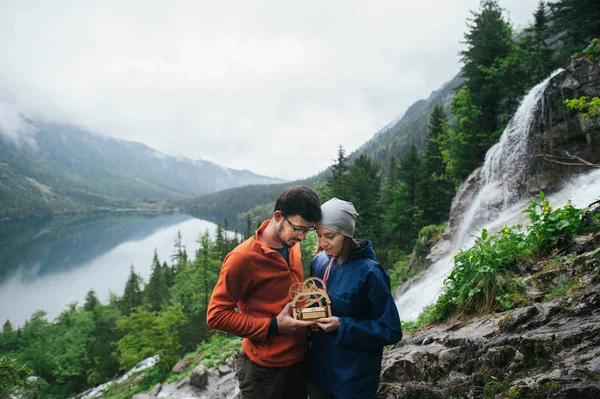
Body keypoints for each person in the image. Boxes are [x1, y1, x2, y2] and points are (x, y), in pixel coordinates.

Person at [206, 185, 322, 399]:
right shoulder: (242, 259)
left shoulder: (292, 244)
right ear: (278, 216)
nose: (303, 237)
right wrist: (273, 326)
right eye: (299, 228)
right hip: (265, 373)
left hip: (300, 361)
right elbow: (216, 315)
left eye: (308, 230)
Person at [306, 198, 402, 399]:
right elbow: (315, 304)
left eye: (330, 236)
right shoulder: (318, 262)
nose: (323, 243)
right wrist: (310, 321)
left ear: (346, 234)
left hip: (353, 380)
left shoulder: (370, 272)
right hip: (318, 374)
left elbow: (391, 330)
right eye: (319, 235)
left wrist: (342, 325)